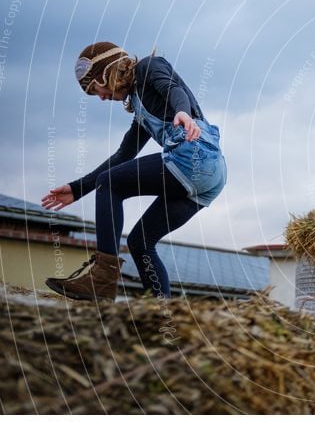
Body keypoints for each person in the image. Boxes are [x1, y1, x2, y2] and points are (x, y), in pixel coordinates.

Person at [41, 41, 227, 301]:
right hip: (211, 175)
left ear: (107, 72)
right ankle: (164, 317)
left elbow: (172, 89)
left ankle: (102, 280)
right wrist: (78, 188)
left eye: (98, 89)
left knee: (110, 183)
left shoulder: (149, 67)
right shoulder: (141, 110)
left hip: (194, 156)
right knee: (140, 242)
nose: (103, 97)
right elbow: (123, 156)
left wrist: (182, 113)